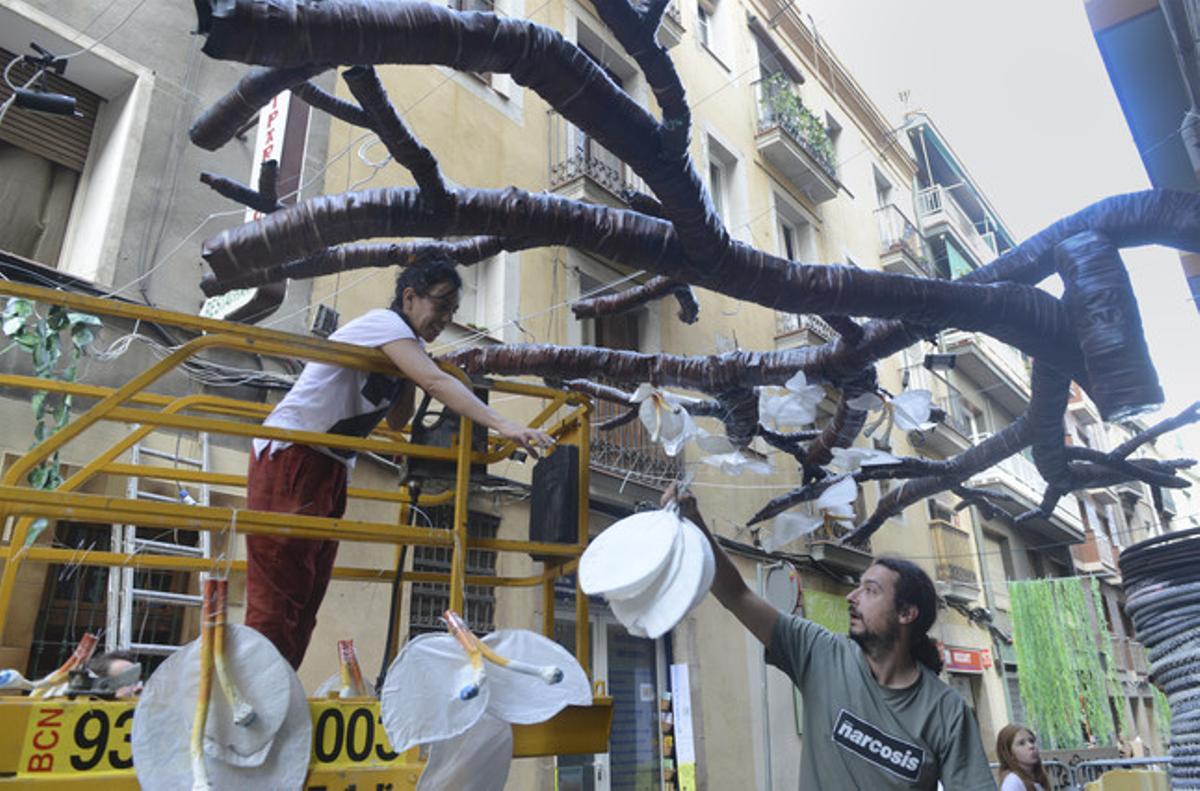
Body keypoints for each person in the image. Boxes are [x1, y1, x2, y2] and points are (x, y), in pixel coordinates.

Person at [245, 258, 554, 669]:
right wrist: (504, 424)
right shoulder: (384, 324)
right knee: (279, 590)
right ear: (409, 297)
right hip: (293, 452)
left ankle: (278, 689)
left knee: (305, 594)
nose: (444, 319)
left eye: (452, 312)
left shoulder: (403, 346)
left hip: (329, 463)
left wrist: (412, 368)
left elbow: (397, 419)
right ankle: (252, 701)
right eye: (440, 306)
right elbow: (436, 383)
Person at [663, 484, 996, 789]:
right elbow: (738, 595)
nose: (852, 597)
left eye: (870, 590)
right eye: (857, 586)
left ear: (907, 614)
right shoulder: (819, 653)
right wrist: (695, 524)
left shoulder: (946, 711)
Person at [996, 724, 1050, 790]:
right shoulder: (1012, 782)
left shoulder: (1037, 777)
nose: (1031, 746)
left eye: (1031, 741)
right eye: (1021, 743)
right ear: (1009, 753)